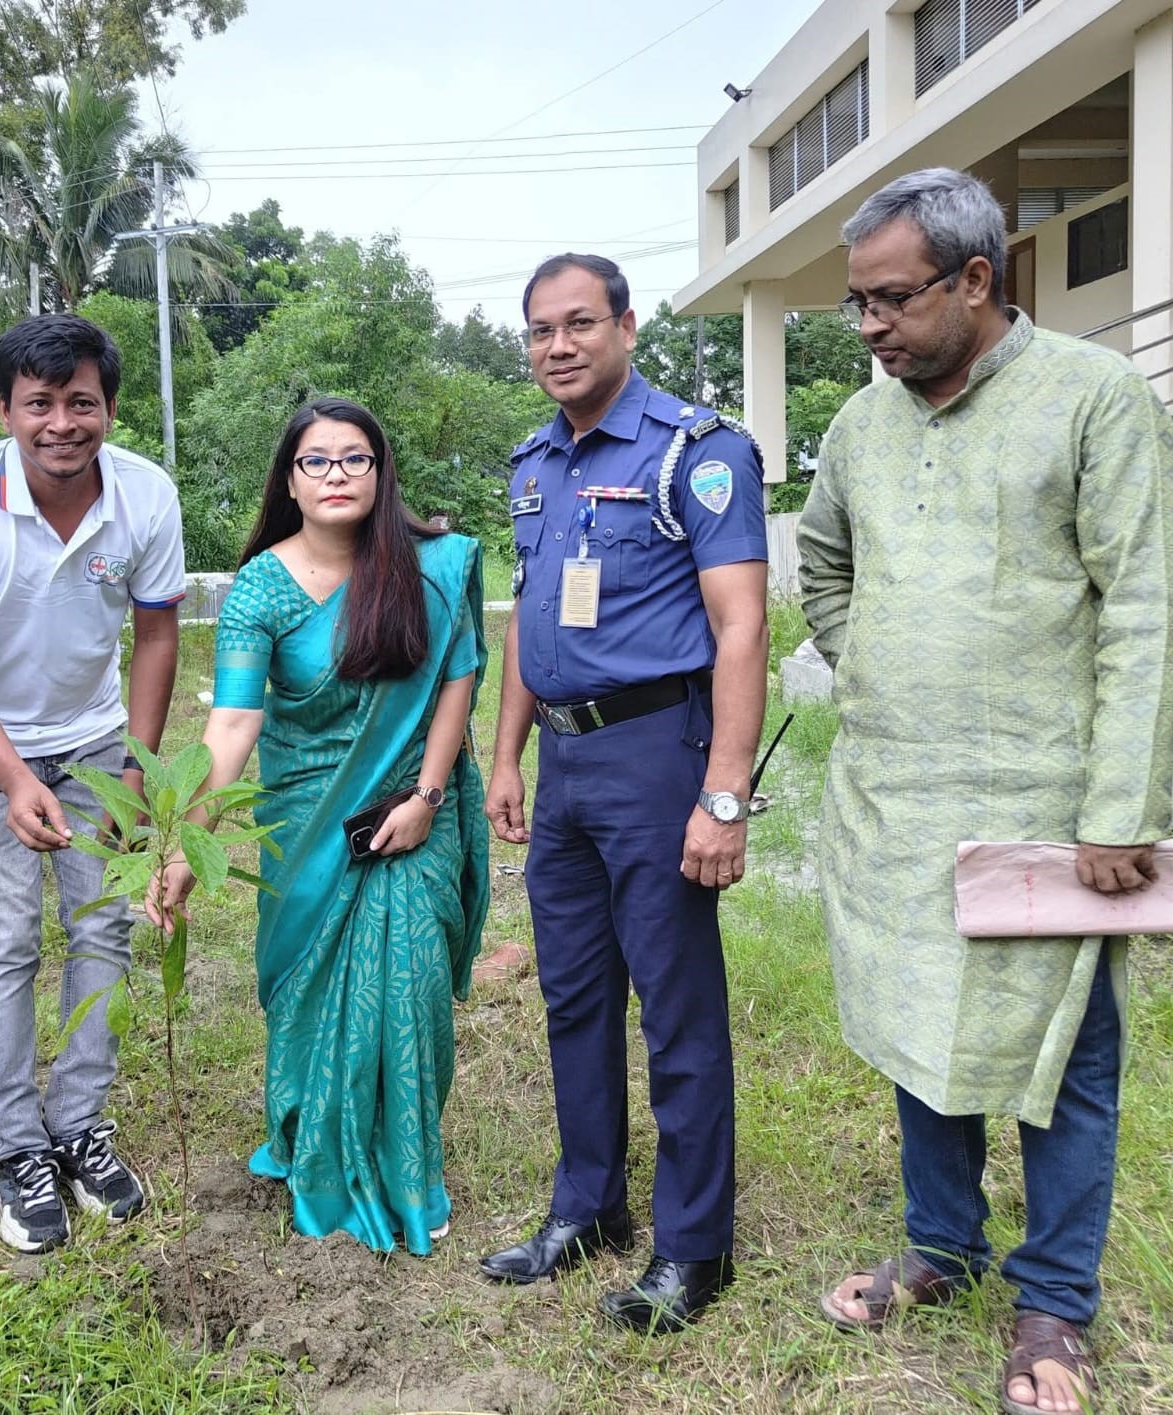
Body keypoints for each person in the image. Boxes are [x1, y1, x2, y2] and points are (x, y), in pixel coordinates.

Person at [801, 168, 1173, 1415]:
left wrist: (1121, 805)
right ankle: (942, 1245)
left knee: (1063, 1052)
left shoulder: (1094, 397)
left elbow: (1143, 607)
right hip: (896, 796)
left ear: (973, 279)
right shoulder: (860, 426)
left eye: (890, 300)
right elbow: (823, 564)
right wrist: (877, 665)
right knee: (920, 1025)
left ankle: (1053, 1299)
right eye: (854, 306)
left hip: (1047, 807)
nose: (868, 328)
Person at [479, 253, 769, 1334]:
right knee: (575, 994)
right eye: (539, 330)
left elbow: (740, 625)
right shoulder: (534, 464)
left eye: (579, 323)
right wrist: (505, 756)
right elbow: (526, 620)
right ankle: (587, 1205)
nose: (558, 345)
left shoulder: (696, 452)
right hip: (563, 765)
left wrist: (723, 792)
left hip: (657, 753)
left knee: (677, 1007)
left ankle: (694, 1247)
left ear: (626, 326)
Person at [148, 397, 489, 1255]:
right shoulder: (261, 583)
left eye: (353, 459)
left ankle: (408, 1174)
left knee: (408, 988)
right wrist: (194, 841)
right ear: (290, 481)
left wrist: (429, 794)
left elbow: (456, 681)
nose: (336, 475)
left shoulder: (435, 566)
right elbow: (231, 726)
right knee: (307, 998)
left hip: (413, 808)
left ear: (380, 472)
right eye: (316, 461)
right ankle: (320, 1154)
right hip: (303, 827)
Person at [0, 313, 184, 1254]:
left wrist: (140, 769)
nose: (60, 422)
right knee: (6, 943)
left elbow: (155, 636)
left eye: (81, 402)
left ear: (107, 406)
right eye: (39, 403)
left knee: (103, 926)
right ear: (5, 409)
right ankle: (18, 1149)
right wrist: (15, 775)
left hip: (98, 739)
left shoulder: (146, 496)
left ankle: (80, 1124)